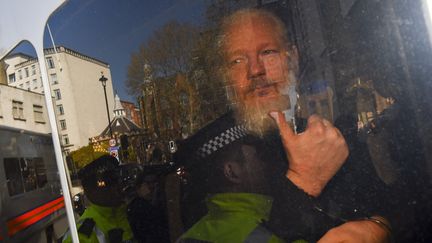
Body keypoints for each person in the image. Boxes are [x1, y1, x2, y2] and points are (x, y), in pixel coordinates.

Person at [181, 8, 392, 243]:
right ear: (225, 76)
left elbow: (385, 202)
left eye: (268, 52)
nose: (255, 70)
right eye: (238, 60)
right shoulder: (209, 155)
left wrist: (378, 228)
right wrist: (303, 182)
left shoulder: (327, 133)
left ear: (292, 58)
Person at [175, 113, 305, 243]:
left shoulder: (192, 236)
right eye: (256, 157)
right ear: (232, 172)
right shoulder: (262, 237)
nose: (263, 164)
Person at [62, 155, 135, 243]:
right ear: (90, 191)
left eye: (116, 179)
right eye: (106, 182)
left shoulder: (132, 214)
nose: (115, 187)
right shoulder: (82, 235)